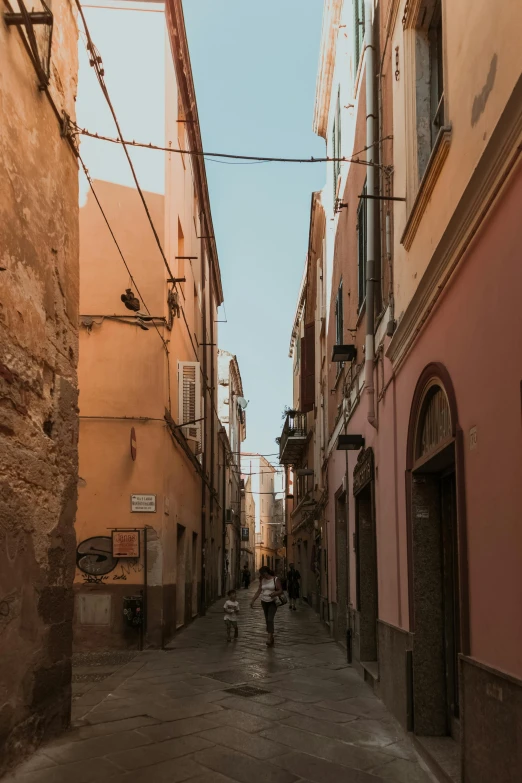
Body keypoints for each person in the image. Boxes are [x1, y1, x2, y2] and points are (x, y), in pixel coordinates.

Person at [250, 566, 283, 646]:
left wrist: (275, 593)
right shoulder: (262, 580)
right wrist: (253, 600)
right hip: (264, 602)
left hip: (273, 602)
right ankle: (271, 636)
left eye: (262, 573)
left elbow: (280, 590)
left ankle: (269, 637)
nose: (262, 575)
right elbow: (259, 591)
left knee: (270, 619)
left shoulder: (275, 579)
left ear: (266, 572)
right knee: (267, 620)